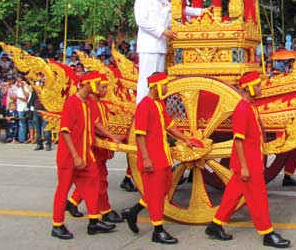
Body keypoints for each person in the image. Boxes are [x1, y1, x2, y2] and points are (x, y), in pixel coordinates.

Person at [205, 72, 290, 247]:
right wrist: (244, 166)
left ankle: (215, 225)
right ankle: (267, 233)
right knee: (258, 198)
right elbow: (238, 141)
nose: (260, 88)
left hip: (251, 161)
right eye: (257, 85)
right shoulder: (242, 109)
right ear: (248, 88)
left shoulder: (251, 106)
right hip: (248, 164)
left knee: (232, 195)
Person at [122, 72, 197, 244]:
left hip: (163, 156)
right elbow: (139, 136)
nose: (166, 87)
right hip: (152, 158)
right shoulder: (144, 106)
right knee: (155, 194)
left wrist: (186, 139)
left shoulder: (159, 104)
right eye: (164, 84)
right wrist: (146, 158)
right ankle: (158, 230)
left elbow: (170, 126)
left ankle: (133, 212)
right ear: (156, 86)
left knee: (163, 190)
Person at [51, 71, 116, 240]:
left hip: (86, 154)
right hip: (70, 156)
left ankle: (94, 222)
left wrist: (111, 137)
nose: (98, 86)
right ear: (87, 84)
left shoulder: (87, 103)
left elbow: (95, 123)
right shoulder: (72, 102)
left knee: (94, 184)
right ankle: (57, 225)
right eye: (96, 83)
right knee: (63, 189)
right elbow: (65, 132)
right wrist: (75, 156)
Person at [67, 73, 124, 223]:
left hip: (101, 147)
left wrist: (113, 137)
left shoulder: (102, 105)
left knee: (93, 179)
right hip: (93, 148)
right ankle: (105, 210)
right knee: (100, 179)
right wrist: (109, 138)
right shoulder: (89, 103)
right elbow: (92, 126)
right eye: (102, 87)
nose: (104, 90)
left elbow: (102, 125)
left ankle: (72, 203)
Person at [134, 0, 176, 104]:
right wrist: (162, 31)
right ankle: (141, 108)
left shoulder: (164, 2)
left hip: (161, 46)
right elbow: (141, 21)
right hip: (149, 46)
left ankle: (154, 107)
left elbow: (180, 10)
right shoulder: (142, 0)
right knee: (146, 79)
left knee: (158, 80)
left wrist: (200, 12)